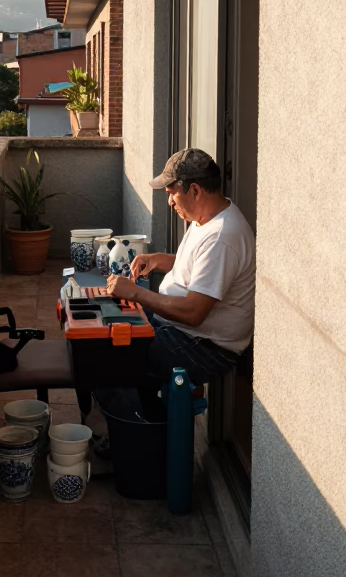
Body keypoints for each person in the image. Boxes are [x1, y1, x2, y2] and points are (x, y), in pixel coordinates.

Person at [106, 148, 255, 406]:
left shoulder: (222, 236)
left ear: (195, 191)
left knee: (115, 357)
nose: (170, 202)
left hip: (205, 346)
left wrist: (135, 292)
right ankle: (148, 421)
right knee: (108, 327)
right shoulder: (208, 218)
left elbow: (194, 312)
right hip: (182, 330)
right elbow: (204, 273)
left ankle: (136, 438)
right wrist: (159, 260)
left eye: (172, 192)